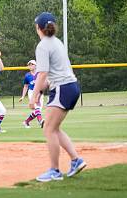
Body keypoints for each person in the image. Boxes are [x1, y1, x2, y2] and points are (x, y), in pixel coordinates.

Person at [30, 12, 86, 182]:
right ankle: (76, 160)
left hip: (63, 88)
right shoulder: (57, 42)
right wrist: (42, 88)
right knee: (53, 128)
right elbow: (50, 76)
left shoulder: (42, 45)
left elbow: (42, 74)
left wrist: (34, 96)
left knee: (48, 129)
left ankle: (54, 170)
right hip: (70, 87)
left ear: (38, 28)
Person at [19, 60, 44, 128]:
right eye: (29, 65)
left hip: (39, 92)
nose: (30, 66)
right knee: (37, 107)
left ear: (36, 66)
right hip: (32, 92)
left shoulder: (39, 74)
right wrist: (23, 96)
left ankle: (26, 122)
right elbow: (26, 86)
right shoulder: (27, 75)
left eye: (32, 64)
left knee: (37, 110)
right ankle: (40, 121)